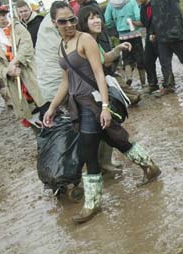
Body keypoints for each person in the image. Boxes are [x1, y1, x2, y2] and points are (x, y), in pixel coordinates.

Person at [42, 1, 161, 224]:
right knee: (114, 138)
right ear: (53, 23)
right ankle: (150, 166)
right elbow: (65, 82)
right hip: (78, 104)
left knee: (88, 152)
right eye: (62, 21)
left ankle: (92, 203)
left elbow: (99, 73)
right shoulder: (61, 46)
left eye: (72, 19)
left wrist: (105, 107)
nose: (68, 24)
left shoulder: (84, 39)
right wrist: (51, 107)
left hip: (93, 104)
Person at [0, 0, 44, 127]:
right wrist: (7, 71)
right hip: (14, 82)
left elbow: (27, 47)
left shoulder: (17, 27)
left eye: (4, 15)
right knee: (30, 115)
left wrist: (15, 62)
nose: (3, 19)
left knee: (45, 106)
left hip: (30, 74)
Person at [150, 0, 183, 94]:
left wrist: (177, 33)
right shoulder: (153, 2)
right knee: (164, 62)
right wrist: (153, 32)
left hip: (175, 35)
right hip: (161, 36)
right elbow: (154, 17)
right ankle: (168, 86)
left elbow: (177, 15)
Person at [104, 0, 146, 87]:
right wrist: (135, 23)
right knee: (140, 57)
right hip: (135, 34)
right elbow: (138, 16)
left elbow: (107, 20)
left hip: (122, 36)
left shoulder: (111, 4)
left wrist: (116, 24)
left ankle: (129, 77)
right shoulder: (132, 1)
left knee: (126, 57)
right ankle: (143, 83)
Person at [138, 0, 159, 93]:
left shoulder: (155, 3)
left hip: (159, 33)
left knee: (164, 60)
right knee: (147, 60)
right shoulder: (142, 7)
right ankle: (153, 84)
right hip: (149, 35)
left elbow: (157, 19)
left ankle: (169, 82)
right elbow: (144, 22)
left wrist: (153, 32)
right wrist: (134, 23)